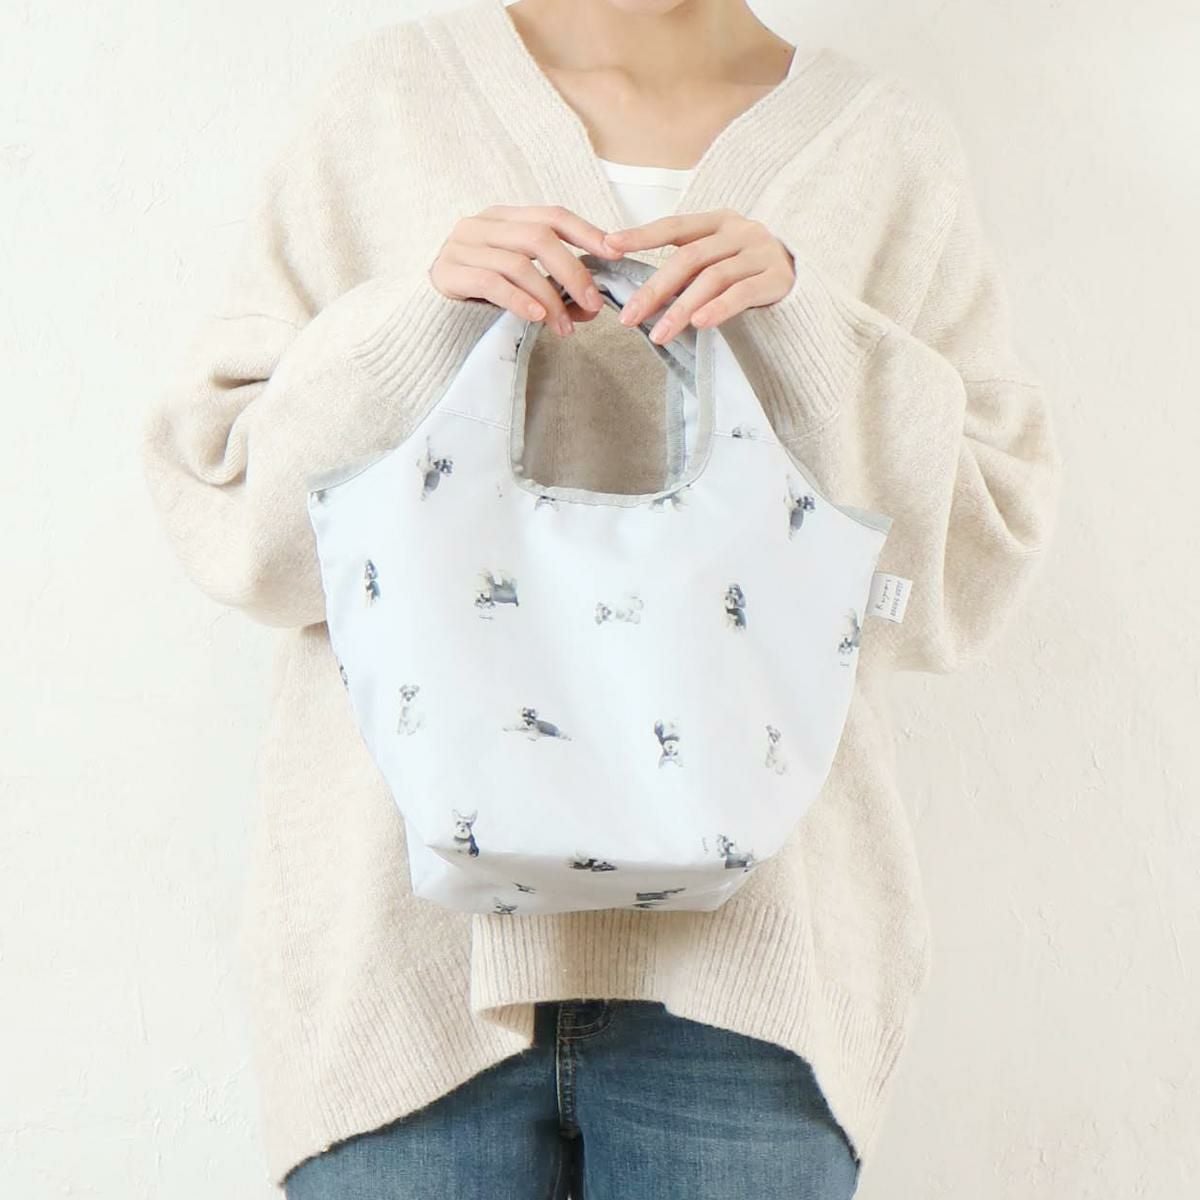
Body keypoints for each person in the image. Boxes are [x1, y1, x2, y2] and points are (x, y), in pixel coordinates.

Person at [139, 1, 1063, 1197]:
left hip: (754, 981)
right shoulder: (385, 104)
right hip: (405, 976)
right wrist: (422, 323)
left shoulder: (884, 149)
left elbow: (970, 570)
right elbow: (234, 521)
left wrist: (811, 334)